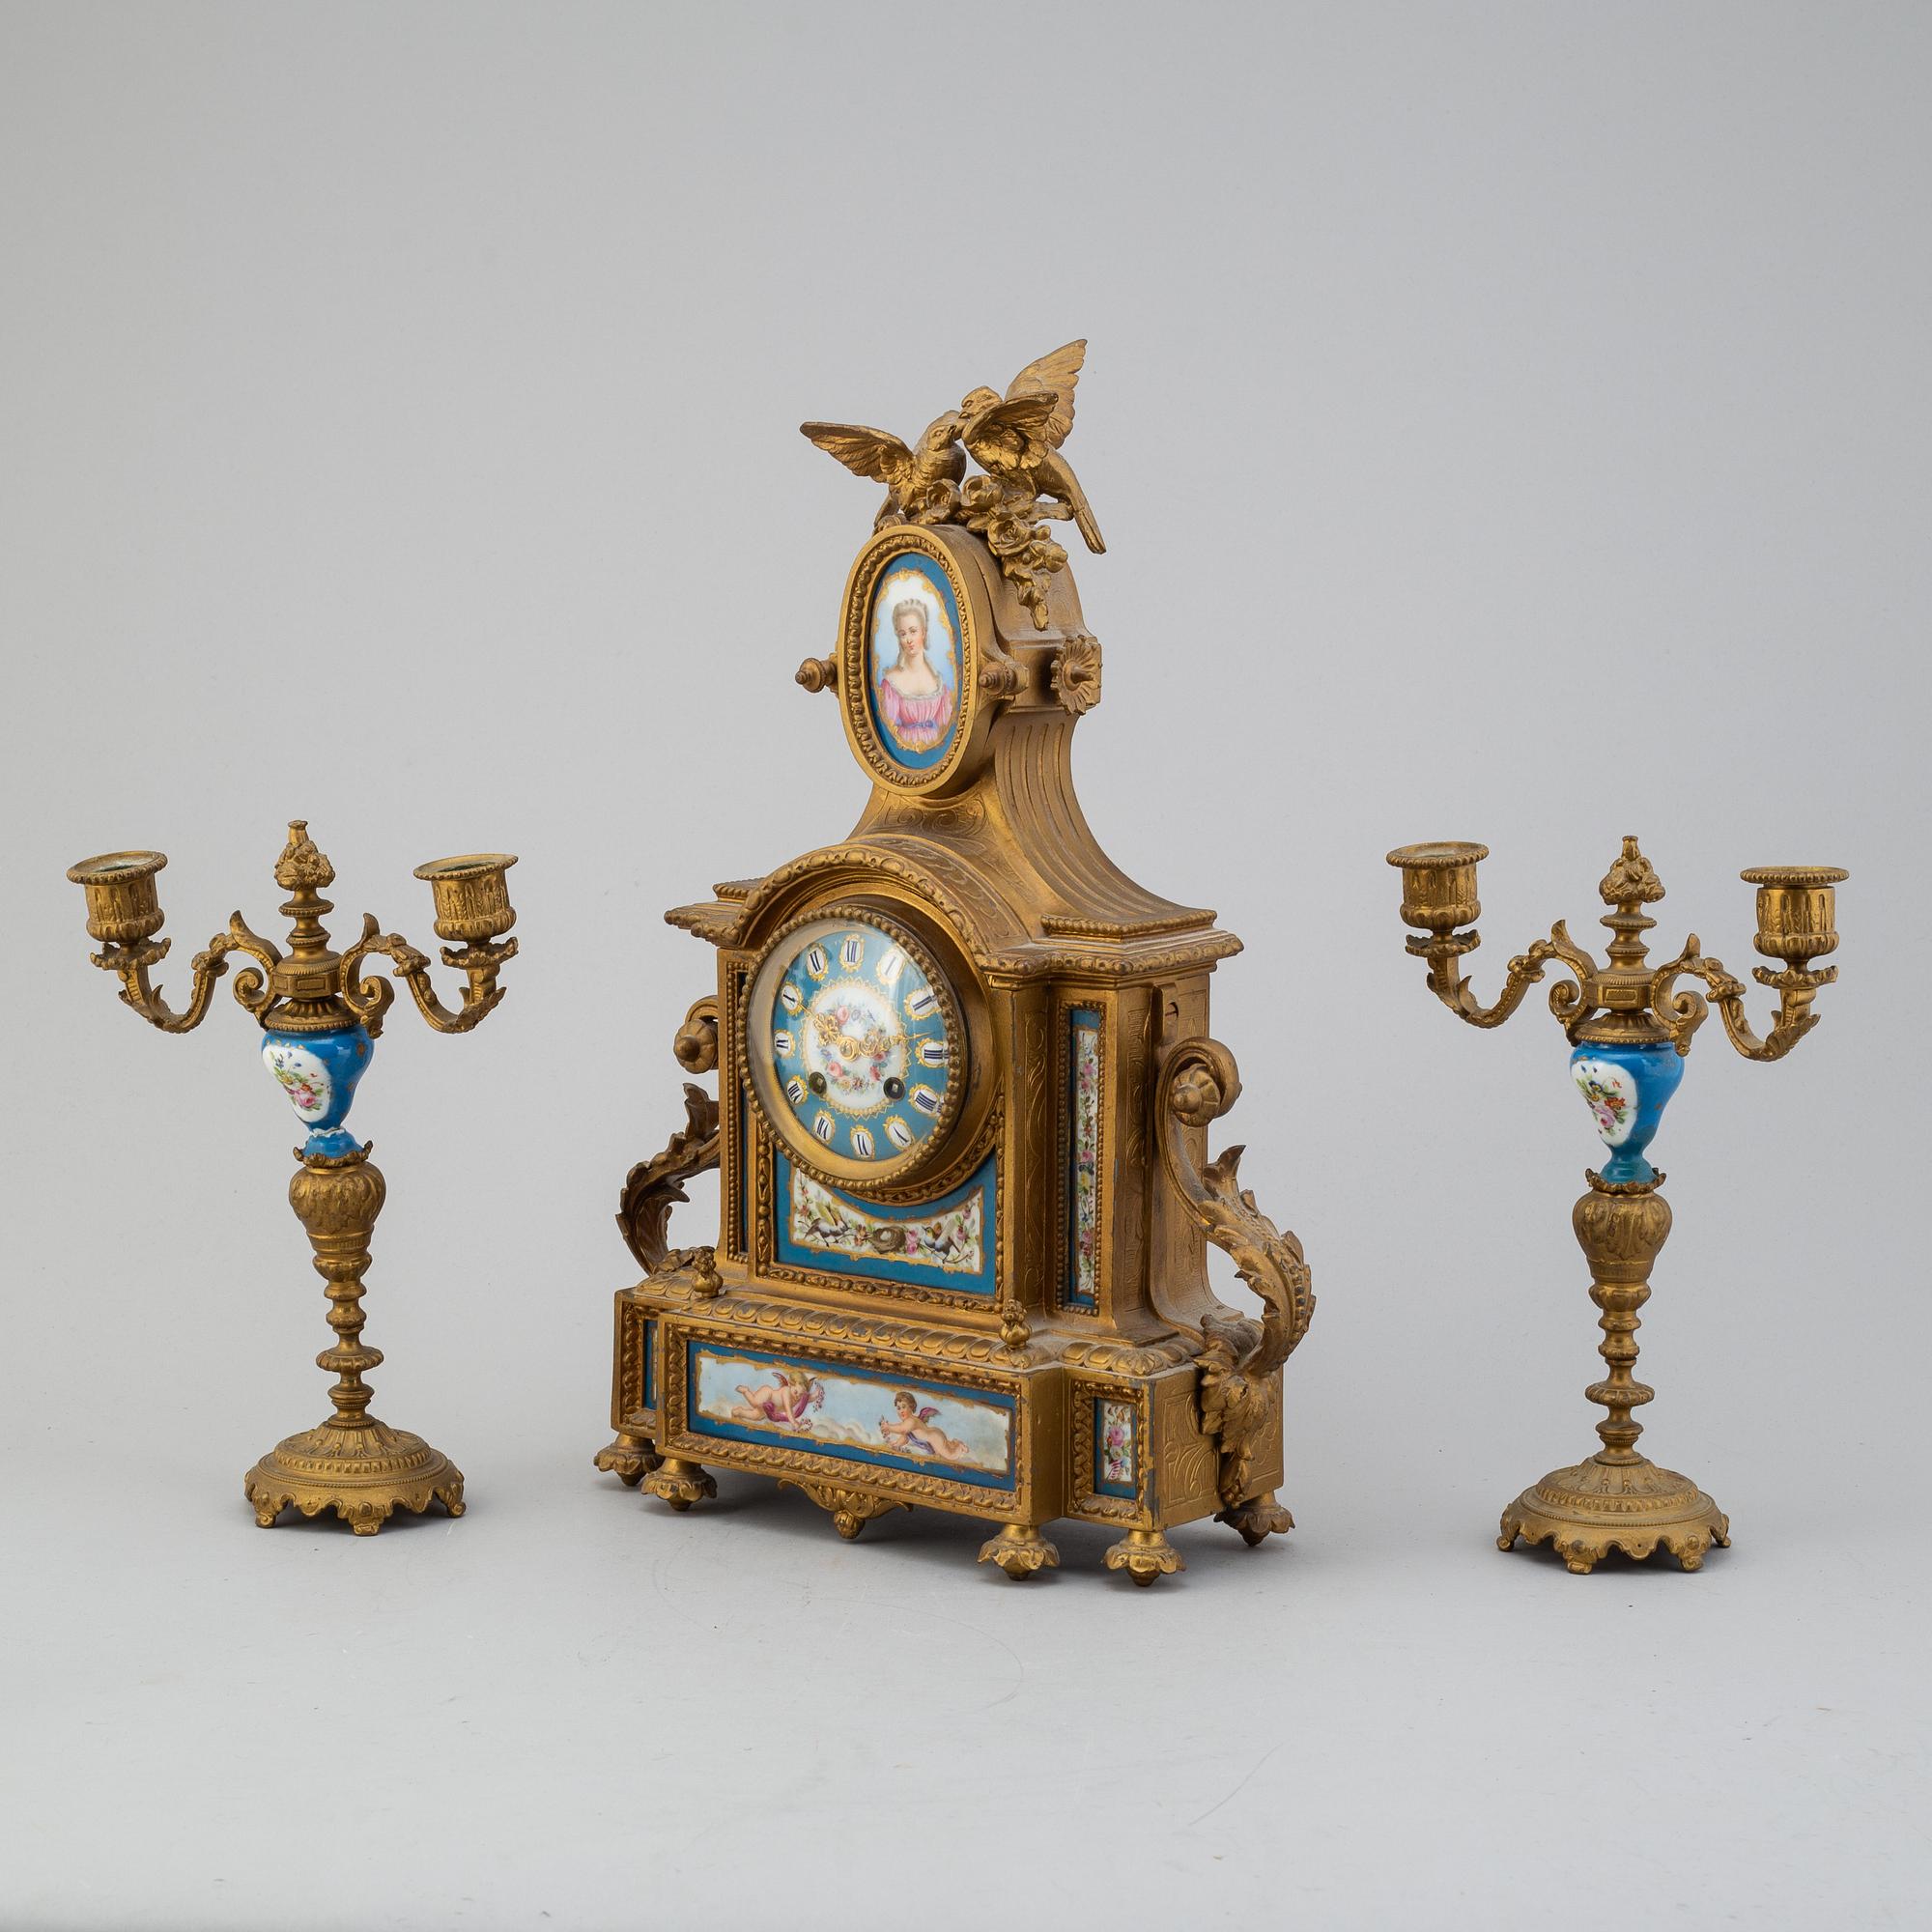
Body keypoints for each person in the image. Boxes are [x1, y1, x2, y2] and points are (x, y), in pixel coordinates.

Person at [874, 597, 955, 753]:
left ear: (923, 633)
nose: (908, 639)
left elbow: (947, 727)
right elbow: (887, 732)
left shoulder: (938, 681)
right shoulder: (891, 682)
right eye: (903, 634)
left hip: (936, 751)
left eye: (913, 631)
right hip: (905, 750)